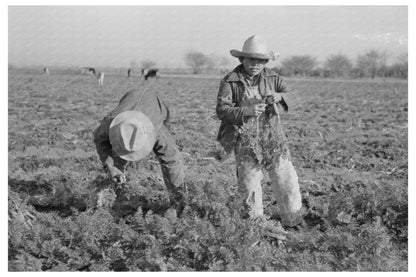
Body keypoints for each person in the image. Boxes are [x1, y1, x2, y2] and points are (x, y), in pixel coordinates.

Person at [216, 35, 304, 229]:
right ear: (242, 60)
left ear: (265, 62)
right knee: (249, 185)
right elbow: (221, 110)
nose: (255, 64)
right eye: (251, 59)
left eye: (260, 60)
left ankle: (293, 221)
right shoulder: (230, 81)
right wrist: (245, 111)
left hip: (273, 137)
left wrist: (279, 96)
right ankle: (254, 225)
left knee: (286, 180)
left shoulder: (273, 78)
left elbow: (295, 97)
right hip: (245, 140)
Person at [93, 87, 186, 212]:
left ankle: (179, 203)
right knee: (116, 163)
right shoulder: (111, 123)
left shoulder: (156, 130)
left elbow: (171, 160)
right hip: (130, 97)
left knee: (172, 156)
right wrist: (110, 167)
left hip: (154, 106)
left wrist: (177, 197)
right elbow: (100, 140)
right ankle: (108, 198)